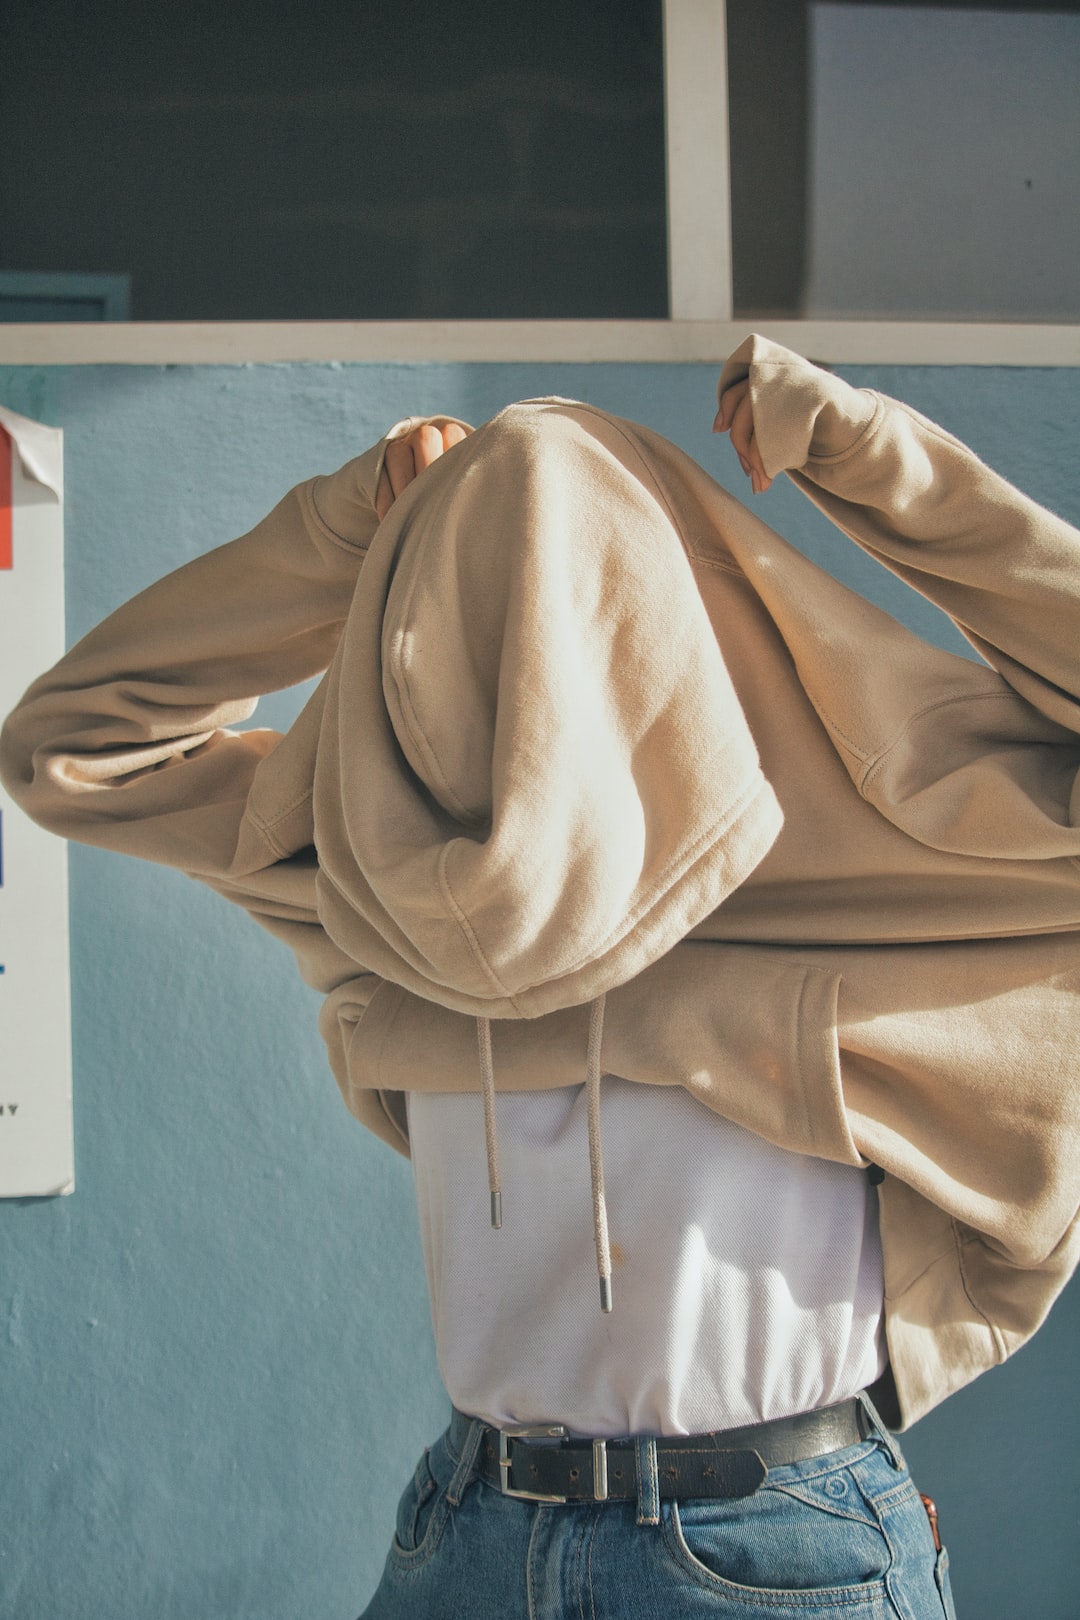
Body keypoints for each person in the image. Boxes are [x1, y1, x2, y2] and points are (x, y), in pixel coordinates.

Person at [3, 337, 1079, 1620]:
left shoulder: (870, 865)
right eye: (476, 602)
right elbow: (67, 747)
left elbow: (74, 745)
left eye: (565, 601)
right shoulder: (375, 866)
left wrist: (865, 453)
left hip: (776, 1537)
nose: (522, 655)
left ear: (656, 618)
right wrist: (349, 524)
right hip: (470, 1524)